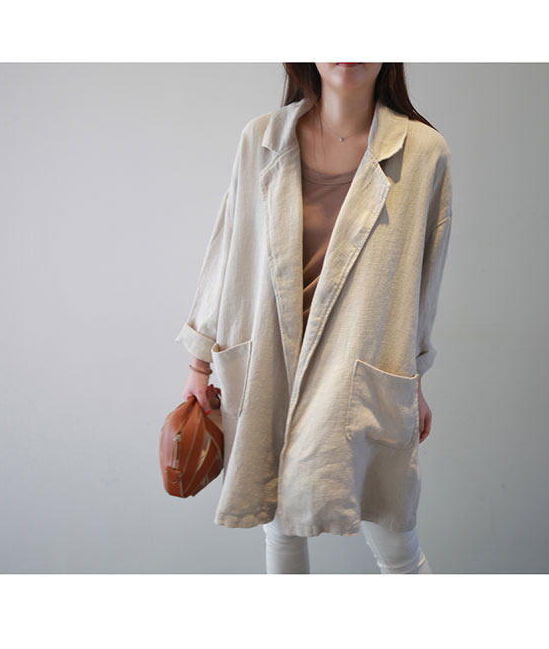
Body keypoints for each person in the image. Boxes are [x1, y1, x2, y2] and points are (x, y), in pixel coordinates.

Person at [176, 63, 452, 573]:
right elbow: (227, 249)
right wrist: (199, 364)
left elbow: (424, 278)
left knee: (395, 540)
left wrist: (413, 379)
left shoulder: (422, 150)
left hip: (359, 363)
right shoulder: (262, 138)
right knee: (280, 527)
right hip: (271, 360)